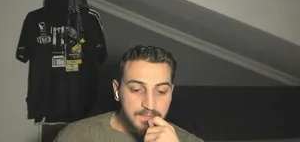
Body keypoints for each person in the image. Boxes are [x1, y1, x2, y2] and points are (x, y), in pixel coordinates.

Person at [53, 45, 202, 142]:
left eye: (161, 91)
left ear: (171, 94)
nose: (150, 104)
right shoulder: (77, 136)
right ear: (117, 90)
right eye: (137, 89)